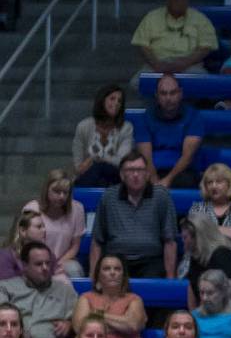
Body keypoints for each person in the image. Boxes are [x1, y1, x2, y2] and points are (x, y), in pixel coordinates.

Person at [89, 150, 178, 279]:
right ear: (122, 175)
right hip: (117, 260)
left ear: (147, 174)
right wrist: (93, 277)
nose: (135, 174)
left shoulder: (161, 196)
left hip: (151, 260)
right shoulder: (109, 197)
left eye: (140, 170)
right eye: (130, 170)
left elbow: (170, 240)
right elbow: (97, 240)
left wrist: (170, 280)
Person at [0, 242, 76, 338]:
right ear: (24, 266)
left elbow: (82, 318)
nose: (45, 268)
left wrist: (70, 324)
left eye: (48, 263)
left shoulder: (65, 291)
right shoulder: (6, 287)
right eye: (38, 264)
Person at [71, 255, 147, 338]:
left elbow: (132, 325)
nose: (112, 272)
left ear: (123, 275)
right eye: (107, 269)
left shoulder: (134, 299)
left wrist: (97, 314)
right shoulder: (86, 297)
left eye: (117, 269)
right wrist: (120, 323)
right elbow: (80, 327)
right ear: (98, 275)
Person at [133, 0, 216, 79]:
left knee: (203, 83)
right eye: (177, 0)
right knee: (137, 83)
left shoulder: (200, 19)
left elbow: (206, 47)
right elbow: (142, 45)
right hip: (157, 65)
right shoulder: (151, 17)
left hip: (190, 66)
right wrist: (156, 64)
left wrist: (185, 62)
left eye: (184, 0)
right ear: (168, 0)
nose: (181, 3)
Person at [136, 73, 205, 190]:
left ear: (180, 93)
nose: (168, 98)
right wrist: (154, 180)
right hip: (153, 170)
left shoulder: (194, 116)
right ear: (156, 95)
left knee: (186, 182)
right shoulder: (145, 118)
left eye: (173, 93)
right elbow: (146, 156)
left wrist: (168, 180)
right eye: (163, 93)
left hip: (182, 171)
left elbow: (187, 157)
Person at [22, 172, 86, 279]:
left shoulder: (77, 209)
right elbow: (26, 244)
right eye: (57, 191)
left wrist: (57, 264)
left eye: (65, 193)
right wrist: (45, 263)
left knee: (74, 269)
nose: (62, 197)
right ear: (46, 190)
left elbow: (75, 246)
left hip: (63, 259)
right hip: (35, 258)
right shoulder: (32, 209)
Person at [72, 83, 134, 188]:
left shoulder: (126, 128)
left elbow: (122, 162)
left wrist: (94, 158)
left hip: (116, 177)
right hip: (89, 177)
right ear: (102, 100)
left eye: (120, 101)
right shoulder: (83, 126)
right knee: (96, 172)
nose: (116, 103)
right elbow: (79, 167)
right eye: (112, 99)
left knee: (100, 168)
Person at [0, 209, 47, 280]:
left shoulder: (46, 252)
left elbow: (57, 274)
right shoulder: (6, 256)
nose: (44, 230)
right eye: (39, 227)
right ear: (23, 231)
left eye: (44, 226)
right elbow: (7, 285)